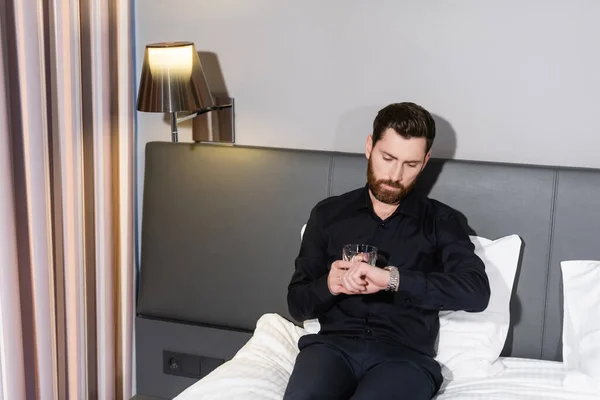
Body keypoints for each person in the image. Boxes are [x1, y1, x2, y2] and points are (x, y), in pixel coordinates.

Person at [284, 102, 491, 400]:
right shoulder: (328, 215)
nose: (395, 175)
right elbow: (297, 303)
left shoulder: (442, 222)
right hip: (331, 350)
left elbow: (476, 292)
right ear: (369, 146)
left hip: (405, 359)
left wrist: (392, 280)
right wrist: (329, 285)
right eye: (388, 157)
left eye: (411, 165)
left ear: (426, 160)